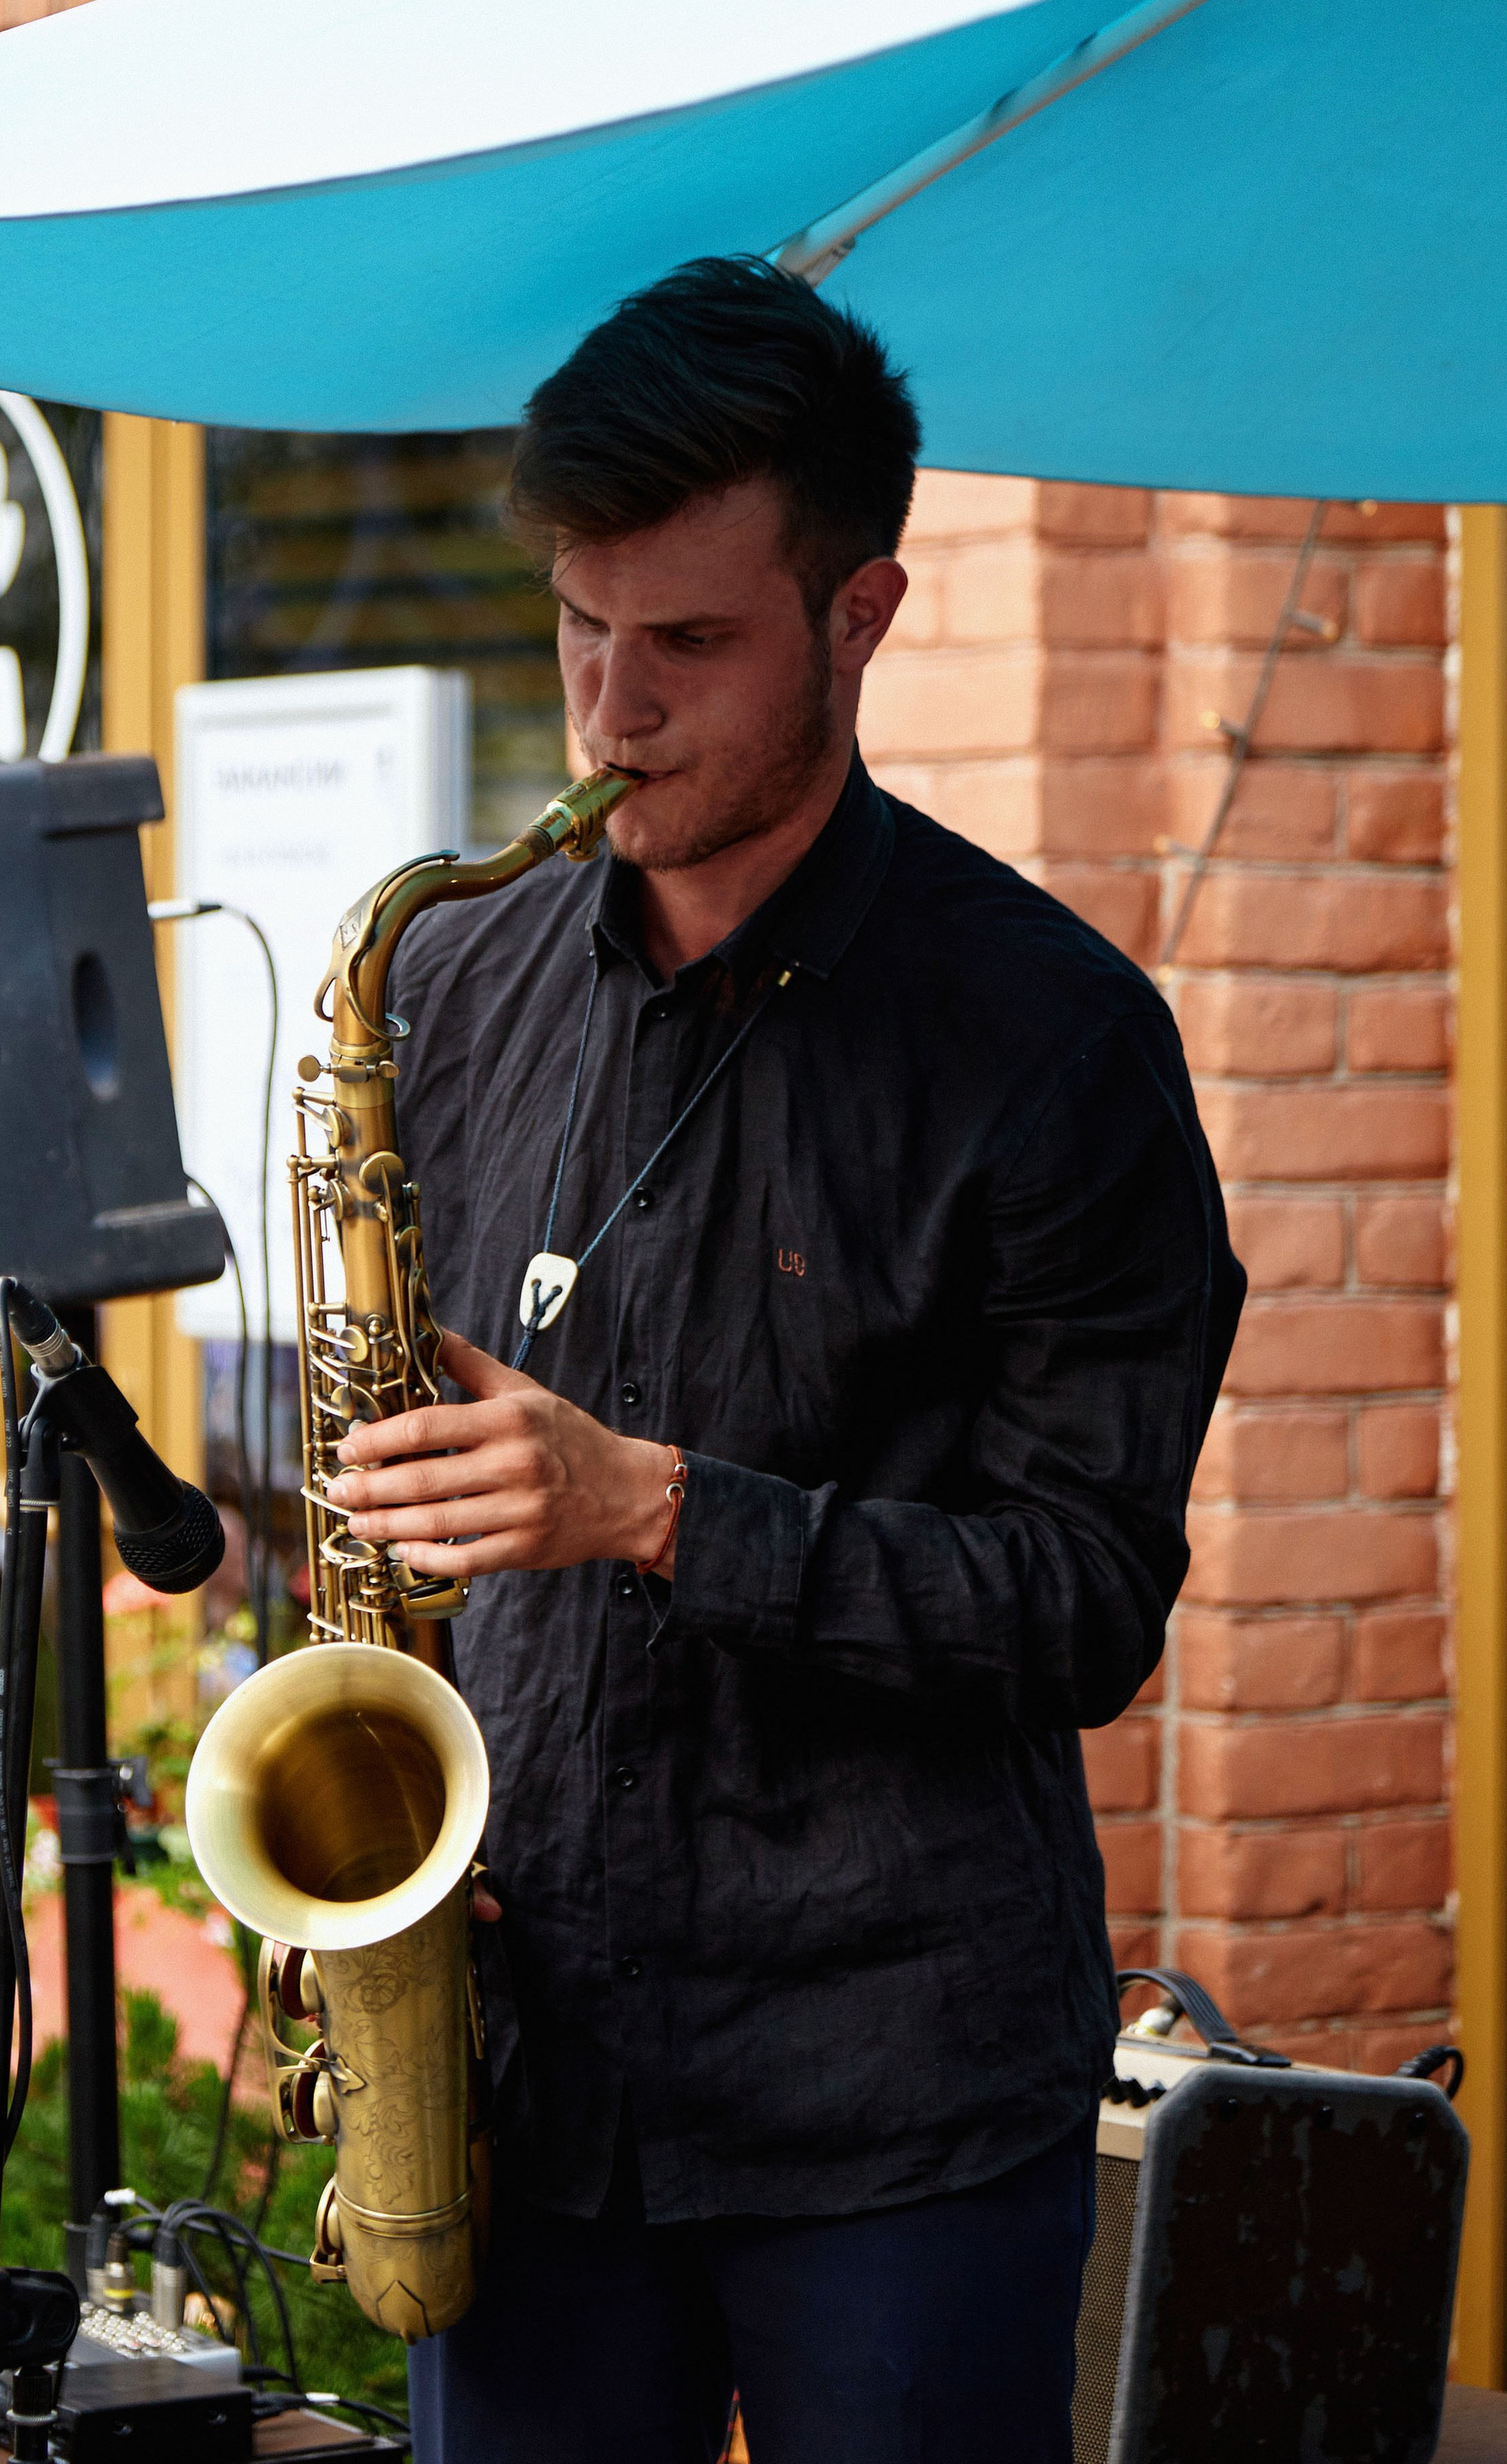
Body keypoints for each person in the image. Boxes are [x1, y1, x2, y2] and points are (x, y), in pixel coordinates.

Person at [331, 256, 1244, 2464]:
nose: (610, 711)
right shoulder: (453, 987)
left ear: (863, 617)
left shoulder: (1053, 1048)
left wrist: (652, 1508)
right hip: (530, 2081)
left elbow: (1085, 1604)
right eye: (579, 626)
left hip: (894, 2104)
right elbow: (414, 1477)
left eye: (692, 644)